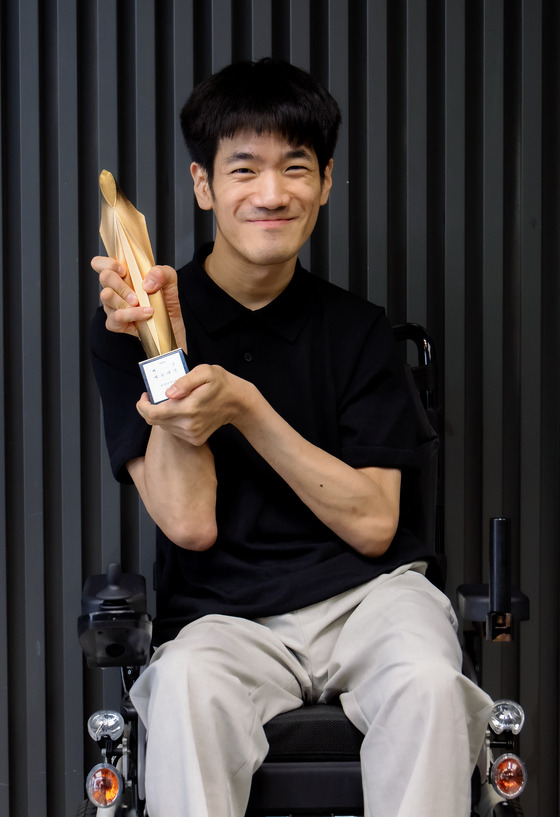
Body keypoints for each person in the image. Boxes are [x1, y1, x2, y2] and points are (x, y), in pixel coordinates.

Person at [90, 58, 492, 817]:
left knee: (432, 685)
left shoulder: (359, 331)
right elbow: (191, 522)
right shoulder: (131, 333)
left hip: (372, 602)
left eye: (295, 168)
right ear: (204, 184)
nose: (272, 194)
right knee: (180, 688)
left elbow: (375, 525)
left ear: (326, 183)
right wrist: (163, 347)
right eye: (244, 169)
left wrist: (247, 407)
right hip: (221, 616)